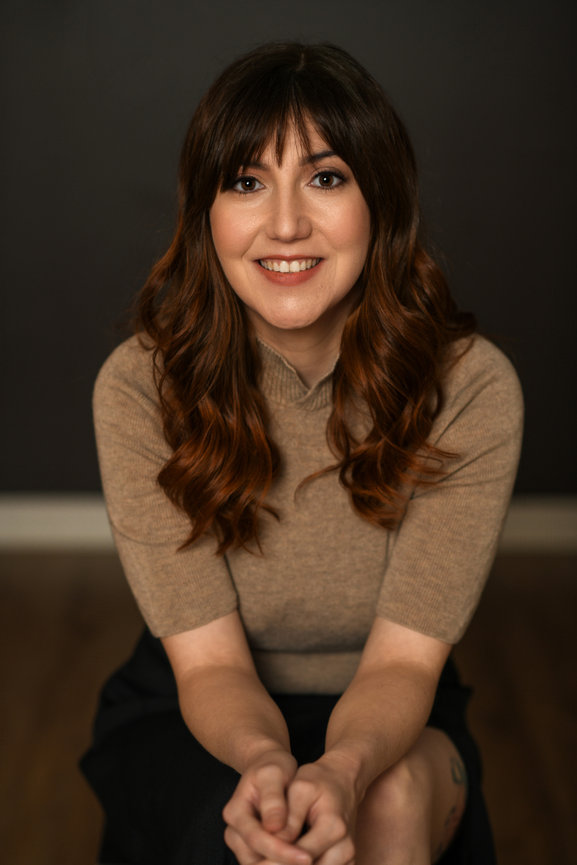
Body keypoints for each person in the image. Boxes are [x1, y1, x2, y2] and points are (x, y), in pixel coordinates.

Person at [81, 42, 523, 865]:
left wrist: (344, 771)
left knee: (382, 813)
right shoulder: (140, 387)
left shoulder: (470, 386)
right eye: (246, 182)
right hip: (199, 706)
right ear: (205, 212)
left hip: (395, 704)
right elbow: (210, 668)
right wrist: (266, 763)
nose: (284, 223)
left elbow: (399, 664)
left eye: (325, 177)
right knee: (252, 840)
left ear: (379, 201)